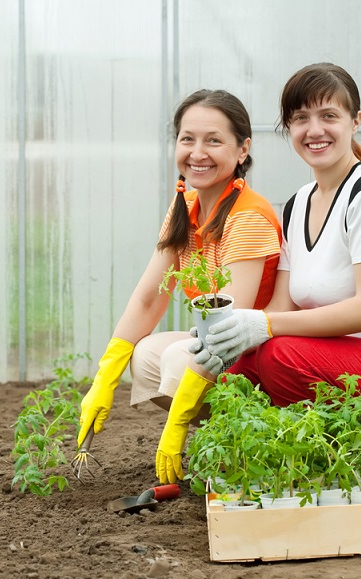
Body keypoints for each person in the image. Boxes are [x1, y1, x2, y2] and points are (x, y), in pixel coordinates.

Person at [195, 63, 361, 444]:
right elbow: (282, 307)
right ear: (288, 128)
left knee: (279, 357)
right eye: (301, 118)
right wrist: (227, 338)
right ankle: (307, 455)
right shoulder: (297, 205)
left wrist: (264, 328)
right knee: (237, 374)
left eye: (329, 116)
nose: (315, 130)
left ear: (355, 121)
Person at [76, 89, 282, 484]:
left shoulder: (249, 216)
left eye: (214, 140)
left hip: (259, 350)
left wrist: (178, 422)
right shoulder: (184, 206)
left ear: (243, 150)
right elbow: (149, 297)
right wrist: (104, 379)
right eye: (188, 139)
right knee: (145, 356)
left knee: (175, 360)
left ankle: (249, 435)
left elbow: (227, 330)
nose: (197, 152)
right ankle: (226, 436)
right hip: (223, 350)